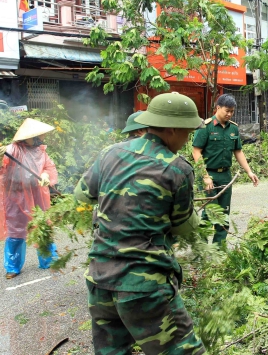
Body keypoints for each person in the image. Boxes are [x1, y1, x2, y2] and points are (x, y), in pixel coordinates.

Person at [74, 92, 206, 355]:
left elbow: (81, 194)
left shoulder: (109, 154)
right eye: (187, 133)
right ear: (171, 129)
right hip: (144, 287)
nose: (186, 139)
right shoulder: (178, 168)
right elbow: (184, 227)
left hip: (99, 281)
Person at [192, 94, 259, 244]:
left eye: (232, 111)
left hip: (225, 176)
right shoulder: (206, 127)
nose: (229, 114)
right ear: (218, 108)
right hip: (208, 175)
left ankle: (219, 249)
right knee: (210, 213)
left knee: (224, 213)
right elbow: (196, 151)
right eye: (227, 111)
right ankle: (202, 249)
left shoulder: (233, 129)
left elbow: (238, 151)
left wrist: (249, 171)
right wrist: (204, 176)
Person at [0, 118, 58, 279]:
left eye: (41, 136)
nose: (40, 139)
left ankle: (49, 259)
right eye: (36, 136)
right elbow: (2, 167)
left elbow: (48, 167)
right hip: (16, 197)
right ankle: (13, 266)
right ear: (25, 137)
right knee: (16, 230)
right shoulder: (12, 150)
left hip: (38, 194)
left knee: (42, 225)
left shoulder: (40, 150)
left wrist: (45, 174)